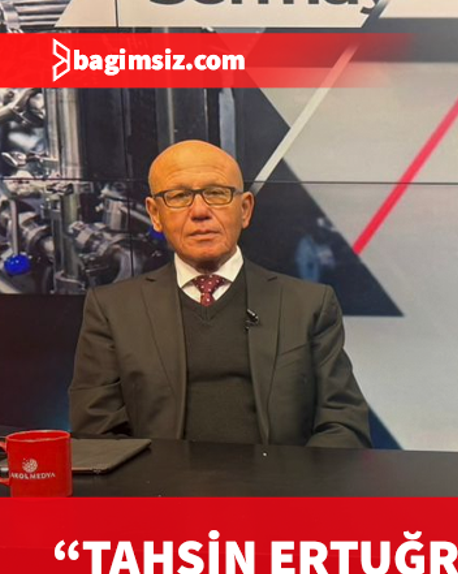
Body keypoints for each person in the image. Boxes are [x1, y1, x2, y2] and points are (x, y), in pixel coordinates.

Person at [69, 140, 371, 448]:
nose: (200, 211)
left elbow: (344, 425)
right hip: (161, 479)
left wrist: (289, 478)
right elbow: (97, 436)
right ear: (155, 214)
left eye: (216, 193)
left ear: (245, 210)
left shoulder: (309, 305)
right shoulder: (112, 311)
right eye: (179, 196)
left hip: (280, 478)